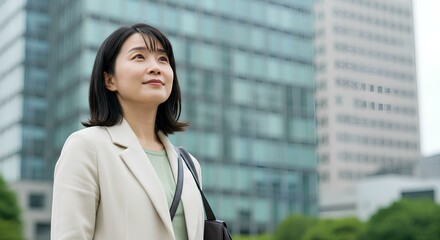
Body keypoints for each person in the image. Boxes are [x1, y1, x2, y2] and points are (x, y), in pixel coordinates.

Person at [51, 23, 204, 240]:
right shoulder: (87, 147)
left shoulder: (190, 165)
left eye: (163, 59)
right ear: (109, 80)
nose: (155, 67)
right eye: (139, 57)